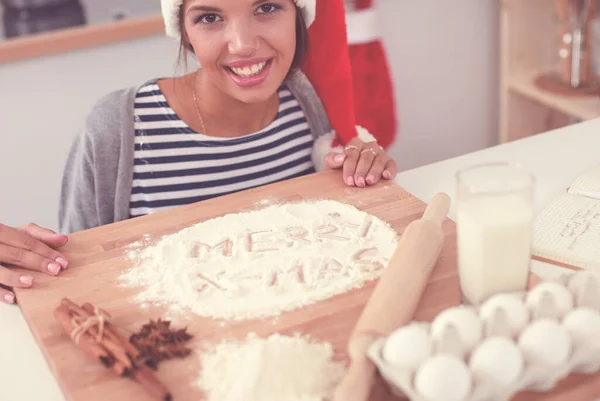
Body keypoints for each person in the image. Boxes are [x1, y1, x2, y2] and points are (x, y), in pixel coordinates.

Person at [1, 0, 398, 303]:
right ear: (184, 31)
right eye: (209, 17)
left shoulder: (308, 102)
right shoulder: (118, 130)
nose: (242, 45)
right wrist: (22, 263)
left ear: (299, 15)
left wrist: (363, 172)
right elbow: (74, 279)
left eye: (267, 7)